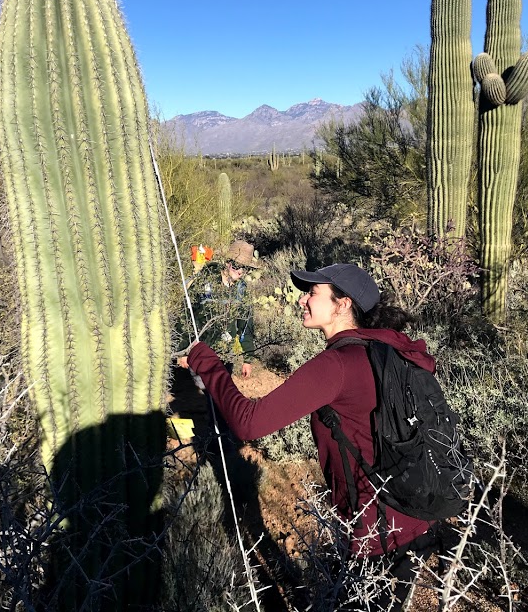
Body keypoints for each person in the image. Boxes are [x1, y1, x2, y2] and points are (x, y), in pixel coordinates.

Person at [179, 263, 438, 610]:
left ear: (342, 304)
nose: (303, 299)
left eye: (313, 293)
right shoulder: (388, 350)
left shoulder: (338, 365)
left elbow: (247, 422)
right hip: (411, 516)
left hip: (375, 532)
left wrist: (205, 361)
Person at [181, 239, 260, 378]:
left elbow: (246, 325)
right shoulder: (205, 281)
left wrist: (248, 358)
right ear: (227, 263)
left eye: (245, 268)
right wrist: (183, 349)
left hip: (226, 354)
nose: (241, 271)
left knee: (220, 393)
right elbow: (188, 314)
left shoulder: (242, 290)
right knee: (205, 390)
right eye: (236, 265)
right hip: (200, 349)